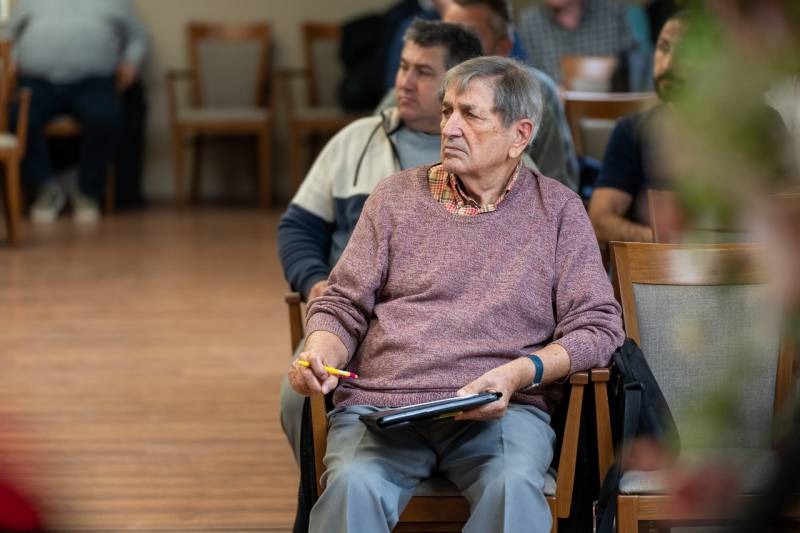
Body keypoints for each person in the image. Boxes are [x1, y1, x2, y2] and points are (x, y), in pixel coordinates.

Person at [288, 56, 624, 533]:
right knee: (351, 487)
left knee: (512, 489)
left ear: (520, 135)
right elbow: (342, 303)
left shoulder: (559, 211)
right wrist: (320, 352)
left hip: (503, 413)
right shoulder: (394, 197)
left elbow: (599, 326)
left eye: (470, 114)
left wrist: (519, 373)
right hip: (386, 408)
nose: (448, 127)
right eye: (447, 111)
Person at [278, 20, 483, 462]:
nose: (403, 82)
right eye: (403, 66)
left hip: (451, 330)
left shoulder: (490, 155)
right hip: (351, 319)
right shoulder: (355, 141)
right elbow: (298, 227)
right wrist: (315, 282)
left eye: (423, 72)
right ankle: (320, 491)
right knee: (298, 398)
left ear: (459, 85)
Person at [6, 0, 148, 223]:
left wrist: (132, 62)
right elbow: (7, 33)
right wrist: (11, 58)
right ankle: (46, 189)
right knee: (18, 117)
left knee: (106, 117)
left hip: (94, 82)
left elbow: (138, 37)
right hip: (37, 82)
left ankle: (87, 191)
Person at [442, 0, 579, 190]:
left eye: (468, 38)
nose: (450, 48)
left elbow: (558, 185)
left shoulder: (537, 93)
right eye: (445, 37)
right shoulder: (417, 88)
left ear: (503, 47)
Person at [587, 11, 683, 249]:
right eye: (663, 48)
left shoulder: (752, 130)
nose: (668, 64)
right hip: (655, 267)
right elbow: (599, 221)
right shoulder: (631, 131)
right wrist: (662, 243)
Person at [517, 0, 637, 88]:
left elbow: (637, 75)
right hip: (551, 112)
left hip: (610, 110)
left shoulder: (614, 16)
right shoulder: (529, 23)